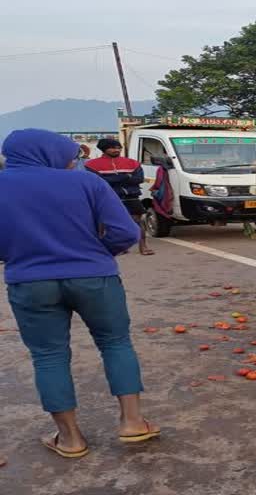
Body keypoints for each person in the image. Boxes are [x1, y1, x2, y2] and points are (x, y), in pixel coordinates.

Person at [0, 129, 160, 458]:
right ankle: (132, 422)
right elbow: (126, 232)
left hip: (30, 282)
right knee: (116, 343)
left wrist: (17, 255)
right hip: (94, 277)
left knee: (49, 357)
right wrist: (98, 254)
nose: (72, 162)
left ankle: (70, 439)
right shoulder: (86, 182)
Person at [86, 139, 154, 255]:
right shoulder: (92, 165)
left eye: (119, 147)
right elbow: (98, 181)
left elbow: (139, 179)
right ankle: (110, 248)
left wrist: (114, 179)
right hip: (108, 198)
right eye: (112, 148)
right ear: (103, 149)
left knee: (138, 222)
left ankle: (143, 246)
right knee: (105, 224)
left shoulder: (132, 163)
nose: (116, 150)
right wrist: (126, 177)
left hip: (131, 197)